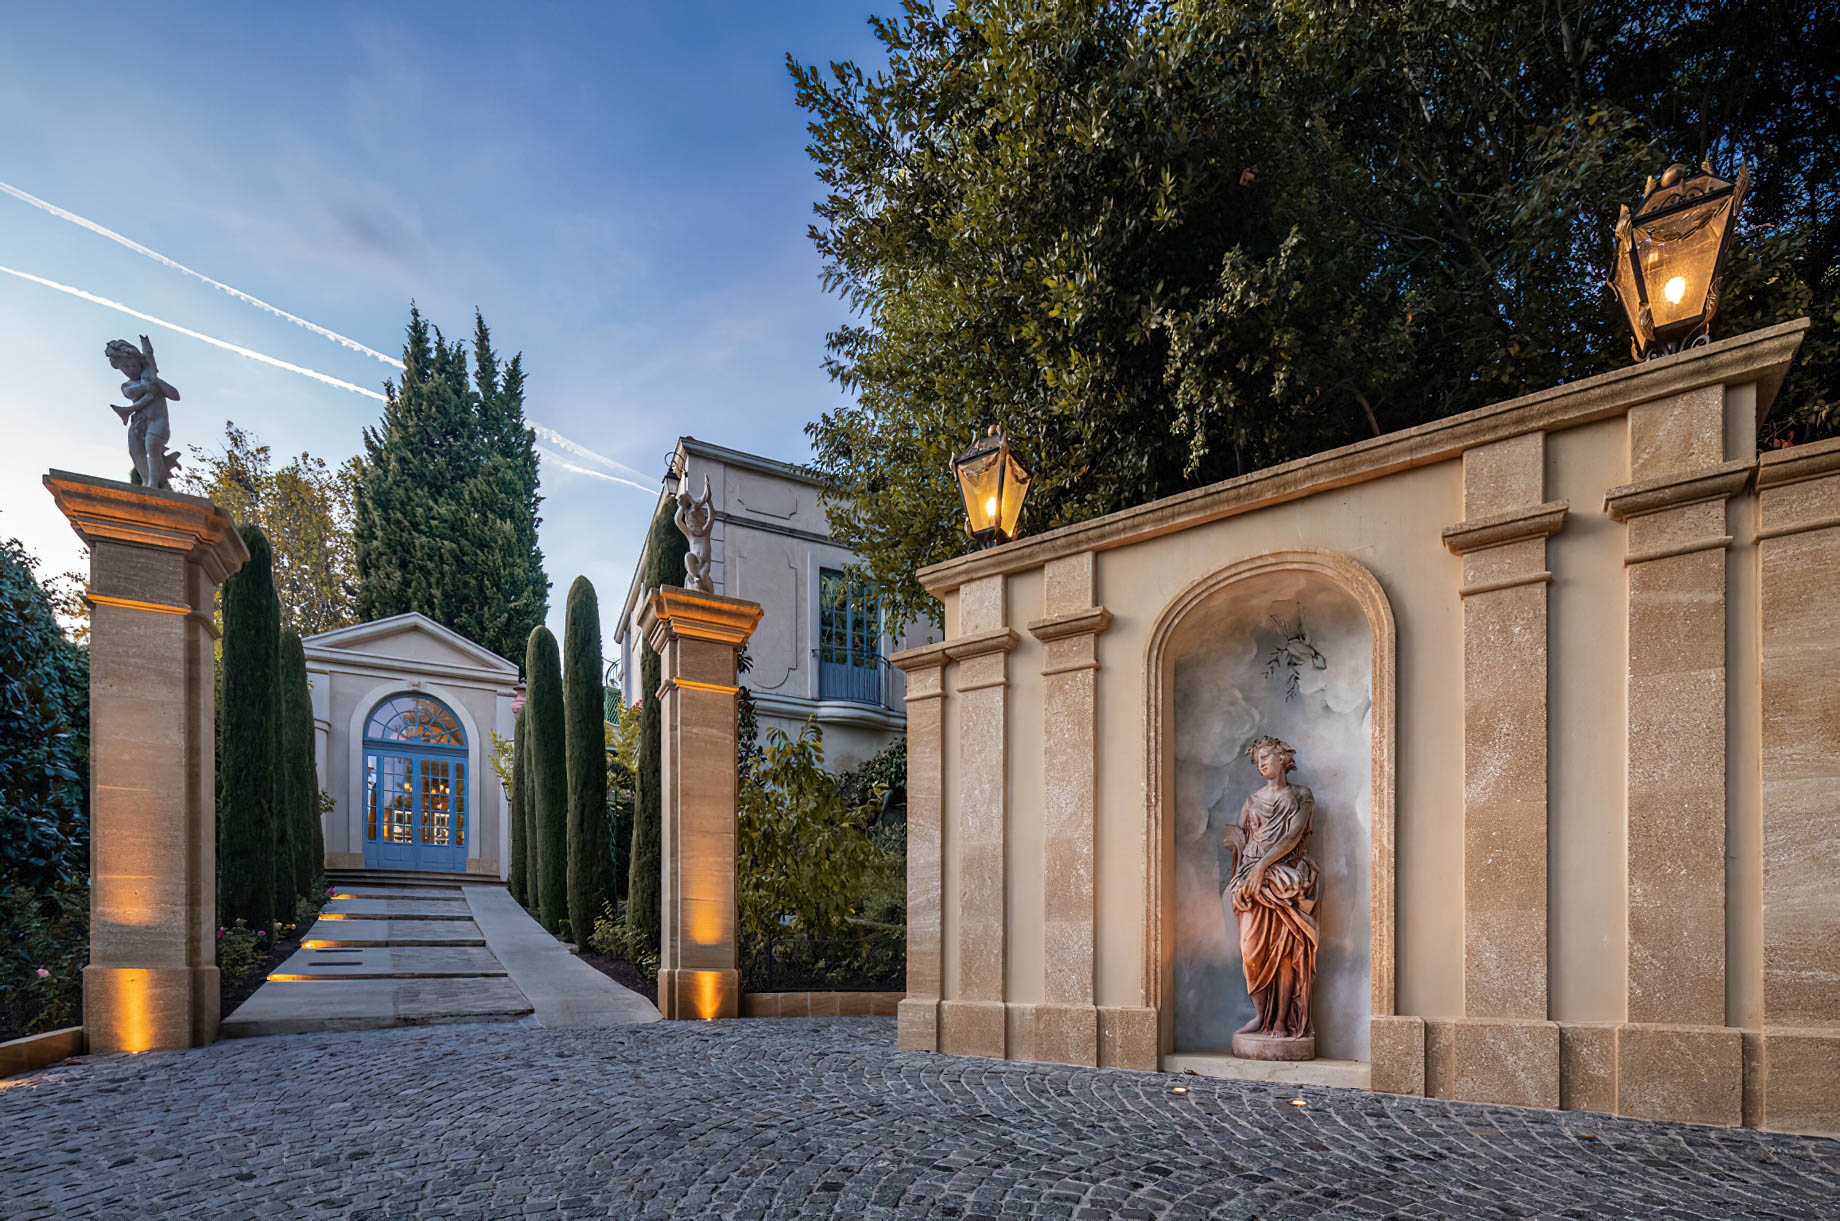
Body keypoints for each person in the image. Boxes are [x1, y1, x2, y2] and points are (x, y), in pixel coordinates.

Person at [1221, 735, 1319, 1049]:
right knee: (1251, 954)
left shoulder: (1302, 795)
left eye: (1266, 757)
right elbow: (1240, 838)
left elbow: (1292, 836)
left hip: (1282, 876)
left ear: (1282, 757)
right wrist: (1238, 859)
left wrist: (1263, 866)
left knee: (1287, 951)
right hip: (1250, 878)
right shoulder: (1251, 800)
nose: (1262, 764)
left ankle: (1281, 1021)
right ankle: (1262, 1015)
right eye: (1258, 761)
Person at [105, 335, 181, 489]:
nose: (129, 370)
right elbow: (132, 392)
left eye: (132, 365)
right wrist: (147, 385)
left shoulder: (152, 379)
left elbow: (175, 395)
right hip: (139, 423)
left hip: (157, 420)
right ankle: (151, 480)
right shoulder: (126, 386)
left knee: (152, 446)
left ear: (140, 361)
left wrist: (157, 381)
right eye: (124, 368)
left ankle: (154, 483)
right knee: (135, 452)